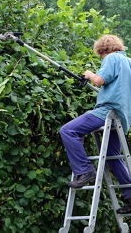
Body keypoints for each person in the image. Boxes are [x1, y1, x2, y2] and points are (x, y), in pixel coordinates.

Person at [59, 34, 131, 214]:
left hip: (107, 111)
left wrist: (89, 74)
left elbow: (99, 81)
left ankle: (85, 170)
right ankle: (130, 196)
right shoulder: (128, 62)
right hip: (123, 116)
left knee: (68, 131)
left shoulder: (112, 58)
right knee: (112, 156)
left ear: (103, 50)